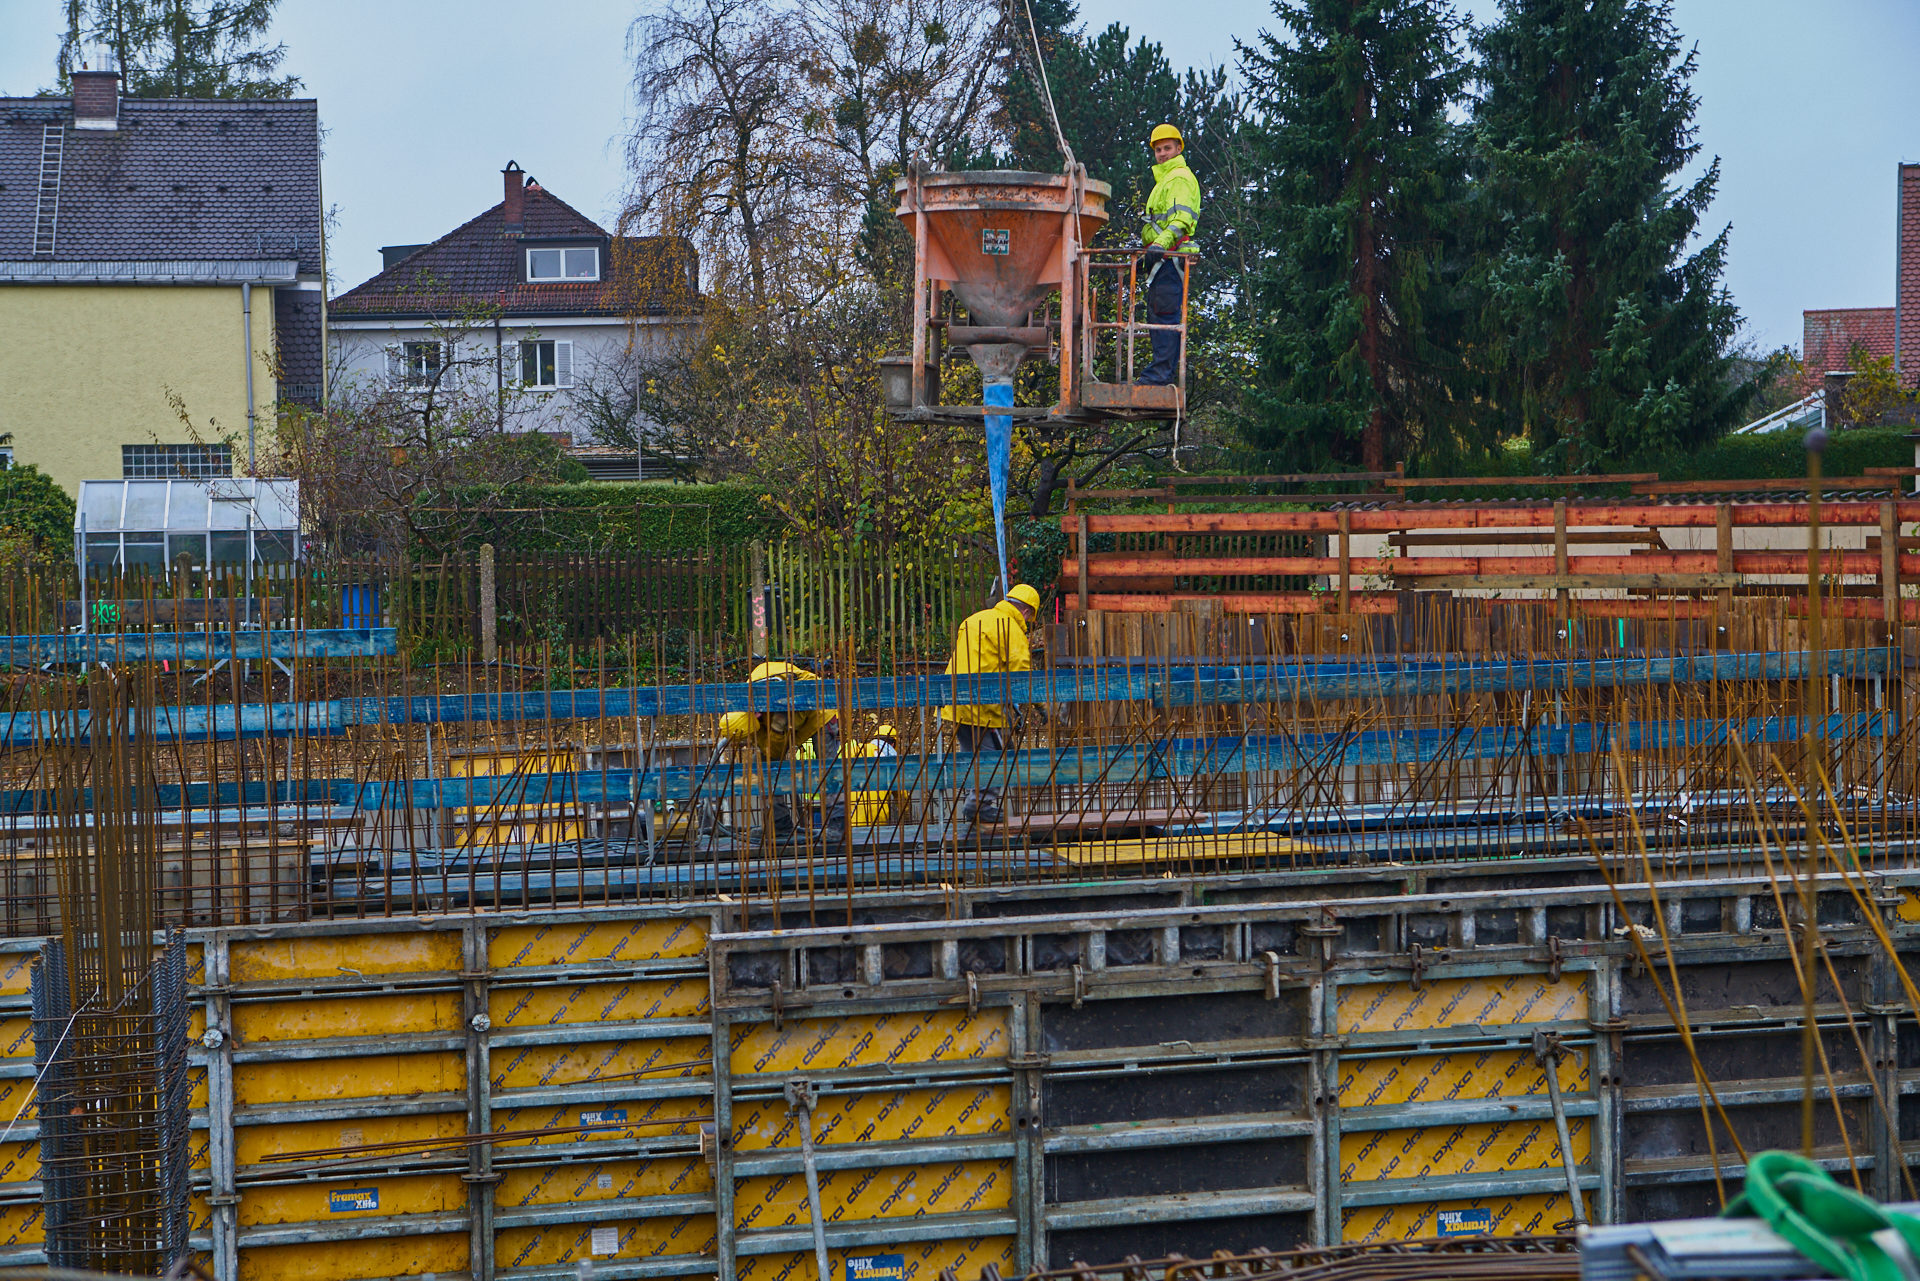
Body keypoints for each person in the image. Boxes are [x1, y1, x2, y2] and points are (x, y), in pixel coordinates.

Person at [706, 660, 845, 846]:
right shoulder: (750, 719)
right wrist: (775, 730)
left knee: (827, 766)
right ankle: (779, 822)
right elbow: (773, 753)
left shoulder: (777, 690)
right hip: (779, 716)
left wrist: (780, 724)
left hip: (817, 708)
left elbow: (803, 702)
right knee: (762, 763)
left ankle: (837, 824)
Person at [939, 585, 1042, 826]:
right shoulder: (1011, 629)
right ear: (1026, 611)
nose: (1027, 623)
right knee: (996, 756)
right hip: (982, 706)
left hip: (955, 702)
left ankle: (975, 802)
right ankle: (979, 806)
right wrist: (1041, 704)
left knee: (973, 756)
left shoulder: (975, 619)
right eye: (1029, 619)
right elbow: (1022, 675)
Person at [1138, 123, 1200, 387]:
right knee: (1160, 316)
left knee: (1164, 317)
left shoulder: (1179, 178)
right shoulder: (1165, 180)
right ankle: (1162, 375)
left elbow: (1181, 220)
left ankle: (1159, 377)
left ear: (1178, 149)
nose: (1162, 154)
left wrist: (1158, 247)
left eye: (1167, 148)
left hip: (1169, 259)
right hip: (1163, 259)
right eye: (1158, 150)